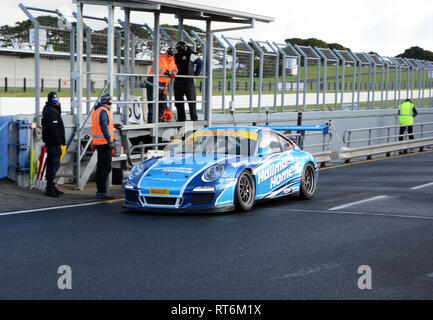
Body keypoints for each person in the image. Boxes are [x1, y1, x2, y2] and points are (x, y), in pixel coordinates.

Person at [42, 91, 66, 198]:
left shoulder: (52, 110)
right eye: (57, 99)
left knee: (53, 165)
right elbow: (54, 130)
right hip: (53, 143)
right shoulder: (51, 111)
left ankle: (51, 186)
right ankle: (49, 188)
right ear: (54, 100)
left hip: (52, 143)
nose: (59, 101)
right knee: (54, 165)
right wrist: (58, 143)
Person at [91, 94, 115, 200]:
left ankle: (100, 190)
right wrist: (109, 140)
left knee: (101, 167)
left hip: (98, 142)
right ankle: (102, 191)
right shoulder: (104, 111)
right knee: (106, 167)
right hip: (104, 143)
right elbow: (104, 126)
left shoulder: (97, 110)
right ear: (108, 102)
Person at [145, 48, 177, 123]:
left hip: (163, 84)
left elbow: (175, 70)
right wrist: (170, 73)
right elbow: (161, 70)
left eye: (172, 55)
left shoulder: (172, 60)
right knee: (152, 102)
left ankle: (159, 118)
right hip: (153, 82)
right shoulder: (160, 58)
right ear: (167, 52)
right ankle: (151, 120)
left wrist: (171, 73)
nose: (170, 56)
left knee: (163, 102)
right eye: (169, 54)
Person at [174, 41, 203, 122]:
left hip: (188, 81)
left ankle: (194, 119)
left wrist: (196, 73)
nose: (179, 48)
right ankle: (181, 118)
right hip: (177, 81)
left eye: (181, 46)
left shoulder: (190, 54)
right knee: (178, 101)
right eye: (178, 47)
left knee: (191, 100)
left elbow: (200, 62)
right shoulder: (175, 56)